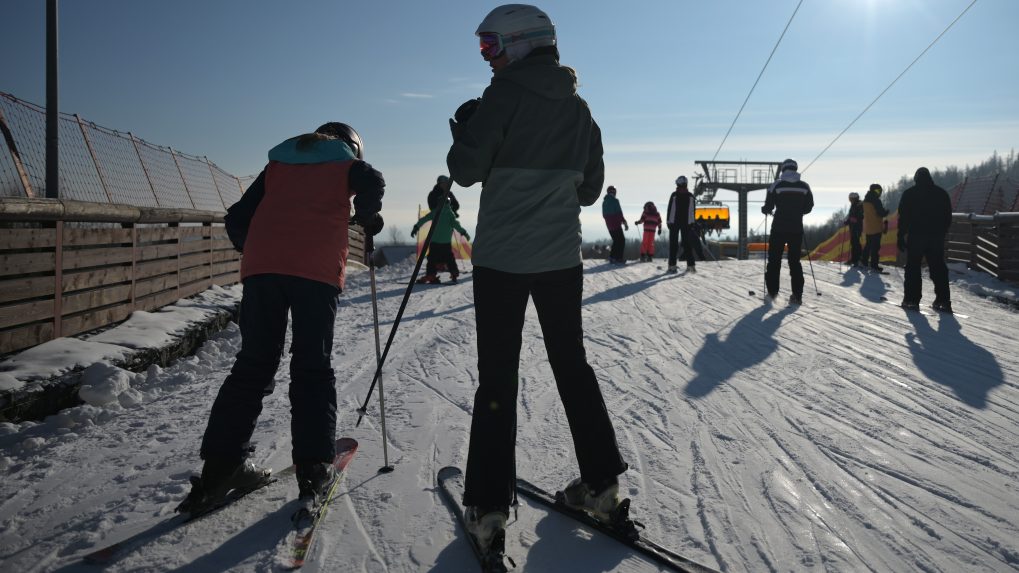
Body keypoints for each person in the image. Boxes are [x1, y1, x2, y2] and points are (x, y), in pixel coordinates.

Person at [446, 3, 628, 554]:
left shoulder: (502, 95)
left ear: (521, 43)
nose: (487, 59)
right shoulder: (580, 108)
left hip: (502, 261)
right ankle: (601, 484)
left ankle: (489, 508)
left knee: (497, 379)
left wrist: (466, 126)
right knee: (572, 366)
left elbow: (465, 170)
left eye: (490, 47)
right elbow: (591, 190)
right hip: (559, 261)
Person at [176, 123, 385, 514]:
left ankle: (221, 471)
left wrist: (260, 248)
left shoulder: (277, 165)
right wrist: (368, 215)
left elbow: (237, 217)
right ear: (352, 146)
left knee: (253, 365)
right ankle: (313, 470)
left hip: (263, 268)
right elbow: (372, 178)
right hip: (315, 270)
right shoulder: (347, 164)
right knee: (311, 367)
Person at [897, 167, 953, 312]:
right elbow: (948, 216)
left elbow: (903, 218)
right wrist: (942, 232)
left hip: (916, 236)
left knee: (913, 267)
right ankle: (943, 301)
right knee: (938, 267)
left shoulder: (909, 194)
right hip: (935, 237)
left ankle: (911, 300)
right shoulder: (941, 194)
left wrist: (900, 236)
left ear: (916, 179)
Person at [762, 158, 814, 304]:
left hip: (778, 228)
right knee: (794, 262)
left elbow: (768, 206)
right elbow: (809, 206)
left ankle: (772, 293)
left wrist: (765, 210)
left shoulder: (776, 185)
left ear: (783, 169)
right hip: (796, 229)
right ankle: (797, 295)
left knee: (774, 261)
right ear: (796, 169)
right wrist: (797, 212)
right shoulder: (804, 186)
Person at [411, 195, 471, 284]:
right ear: (448, 204)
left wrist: (416, 227)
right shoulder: (450, 214)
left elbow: (424, 219)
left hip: (434, 241)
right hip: (446, 242)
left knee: (432, 258)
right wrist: (464, 233)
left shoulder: (435, 212)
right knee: (449, 258)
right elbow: (456, 225)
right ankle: (454, 272)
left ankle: (431, 275)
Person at [666, 176, 696, 273]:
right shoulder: (690, 196)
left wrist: (668, 221)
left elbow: (670, 209)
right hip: (687, 223)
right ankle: (691, 265)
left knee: (673, 244)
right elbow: (692, 211)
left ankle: (672, 265)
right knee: (687, 244)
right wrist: (692, 223)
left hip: (674, 222)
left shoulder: (674, 195)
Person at [861, 183, 889, 272]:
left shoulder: (865, 200)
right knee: (875, 247)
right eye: (878, 191)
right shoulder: (876, 200)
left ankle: (864, 261)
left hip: (868, 227)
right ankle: (874, 265)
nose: (879, 193)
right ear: (874, 191)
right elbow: (880, 213)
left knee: (868, 245)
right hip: (876, 227)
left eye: (880, 191)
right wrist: (886, 212)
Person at [602, 186, 628, 263]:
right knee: (621, 240)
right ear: (614, 192)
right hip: (616, 224)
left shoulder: (604, 202)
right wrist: (624, 223)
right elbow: (619, 213)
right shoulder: (615, 201)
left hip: (609, 225)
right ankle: (619, 258)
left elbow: (604, 215)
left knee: (616, 240)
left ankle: (612, 257)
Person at [844, 191, 864, 267]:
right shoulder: (854, 205)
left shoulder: (859, 205)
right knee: (854, 242)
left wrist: (852, 220)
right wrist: (848, 221)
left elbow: (860, 216)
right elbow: (851, 216)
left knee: (856, 243)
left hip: (857, 227)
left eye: (851, 198)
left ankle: (858, 259)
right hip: (853, 227)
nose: (850, 200)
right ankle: (854, 259)